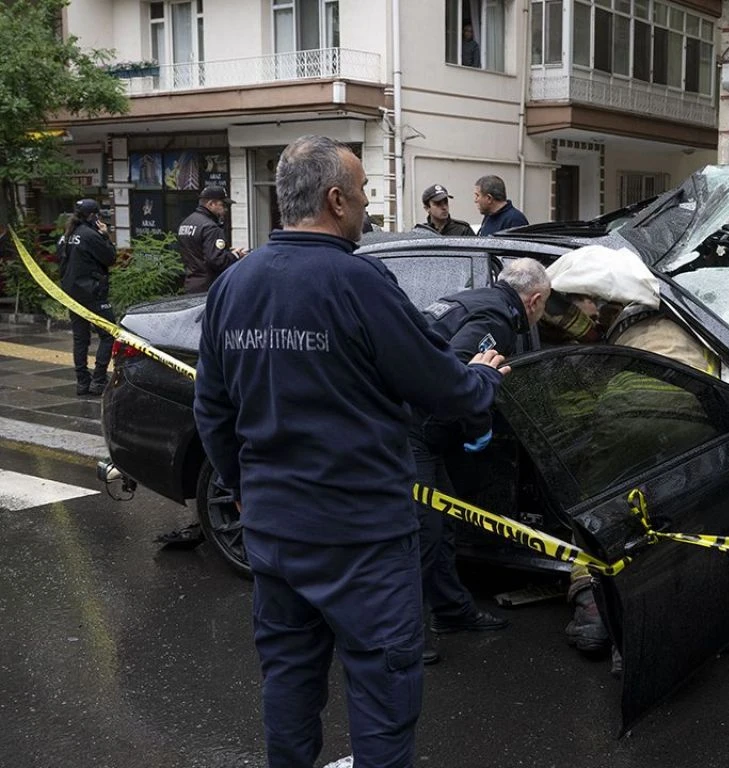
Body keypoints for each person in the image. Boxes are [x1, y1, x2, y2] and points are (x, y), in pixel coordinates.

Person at [193, 135, 509, 768]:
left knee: (288, 678)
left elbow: (212, 410)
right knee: (384, 688)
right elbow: (441, 387)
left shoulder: (234, 285)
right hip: (363, 538)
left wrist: (247, 488)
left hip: (276, 535)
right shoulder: (360, 282)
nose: (368, 204)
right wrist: (484, 379)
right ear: (336, 200)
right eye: (363, 192)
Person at [542, 246, 729, 675]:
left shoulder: (619, 319)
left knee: (603, 516)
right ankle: (703, 626)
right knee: (692, 522)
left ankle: (592, 612)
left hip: (619, 414)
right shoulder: (706, 320)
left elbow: (567, 321)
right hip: (685, 418)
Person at [412, 258, 550, 658]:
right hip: (410, 430)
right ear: (534, 300)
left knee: (442, 522)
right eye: (545, 305)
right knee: (422, 535)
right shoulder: (496, 321)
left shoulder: (478, 298)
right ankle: (404, 639)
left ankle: (450, 611)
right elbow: (455, 377)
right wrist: (478, 426)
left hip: (420, 428)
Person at [58, 199, 117, 397]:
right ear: (93, 216)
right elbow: (110, 258)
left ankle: (82, 382)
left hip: (72, 294)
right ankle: (98, 380)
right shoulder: (91, 235)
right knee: (109, 334)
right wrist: (106, 236)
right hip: (93, 293)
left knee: (80, 338)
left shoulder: (66, 236)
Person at [178, 186, 243, 293]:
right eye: (223, 205)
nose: (226, 210)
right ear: (211, 204)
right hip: (209, 286)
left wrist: (226, 252)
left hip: (191, 283)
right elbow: (216, 260)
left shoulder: (186, 223)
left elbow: (197, 252)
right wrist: (235, 255)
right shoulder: (210, 227)